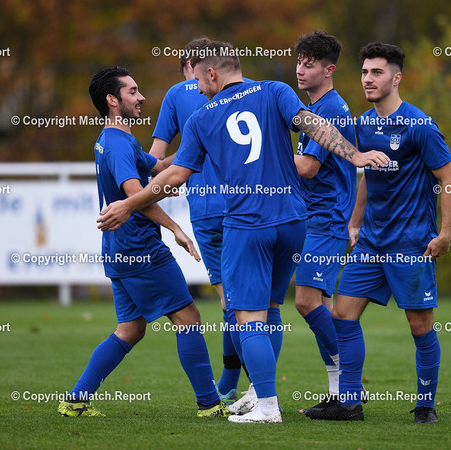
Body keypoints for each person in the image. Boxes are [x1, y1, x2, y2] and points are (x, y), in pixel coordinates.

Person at [97, 41, 390, 424]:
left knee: (247, 315)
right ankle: (273, 392)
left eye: (198, 80)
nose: (197, 88)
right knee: (274, 307)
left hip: (248, 224)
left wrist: (128, 204)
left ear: (212, 73)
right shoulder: (276, 90)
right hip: (293, 221)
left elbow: (175, 176)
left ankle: (266, 406)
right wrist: (356, 155)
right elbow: (313, 124)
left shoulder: (202, 117)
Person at [57, 66, 229, 419]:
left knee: (130, 330)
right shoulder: (118, 145)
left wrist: (200, 139)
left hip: (119, 248)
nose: (141, 97)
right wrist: (176, 228)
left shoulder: (117, 139)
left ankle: (75, 399)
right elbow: (136, 196)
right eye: (132, 92)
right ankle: (210, 404)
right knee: (189, 318)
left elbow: (161, 166)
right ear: (112, 100)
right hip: (140, 248)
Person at [305, 42, 451, 423]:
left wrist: (445, 234)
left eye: (376, 72)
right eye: (364, 72)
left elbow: (449, 180)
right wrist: (355, 222)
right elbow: (367, 177)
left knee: (419, 325)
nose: (368, 79)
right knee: (342, 315)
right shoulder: (362, 124)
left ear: (397, 77)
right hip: (371, 242)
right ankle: (349, 403)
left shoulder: (419, 125)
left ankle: (425, 405)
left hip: (412, 243)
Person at [149, 37, 243, 404]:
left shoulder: (177, 94)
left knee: (230, 301)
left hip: (206, 210)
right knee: (256, 303)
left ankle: (240, 388)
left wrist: (174, 171)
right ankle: (243, 386)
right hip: (249, 205)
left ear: (192, 67)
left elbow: (155, 160)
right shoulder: (253, 89)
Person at [292, 31, 356, 411]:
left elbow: (308, 168)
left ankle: (349, 383)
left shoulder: (328, 110)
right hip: (317, 218)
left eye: (310, 64)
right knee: (323, 307)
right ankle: (340, 393)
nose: (300, 70)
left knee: (305, 301)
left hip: (327, 219)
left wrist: (270, 155)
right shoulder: (316, 107)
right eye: (299, 62)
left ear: (329, 70)